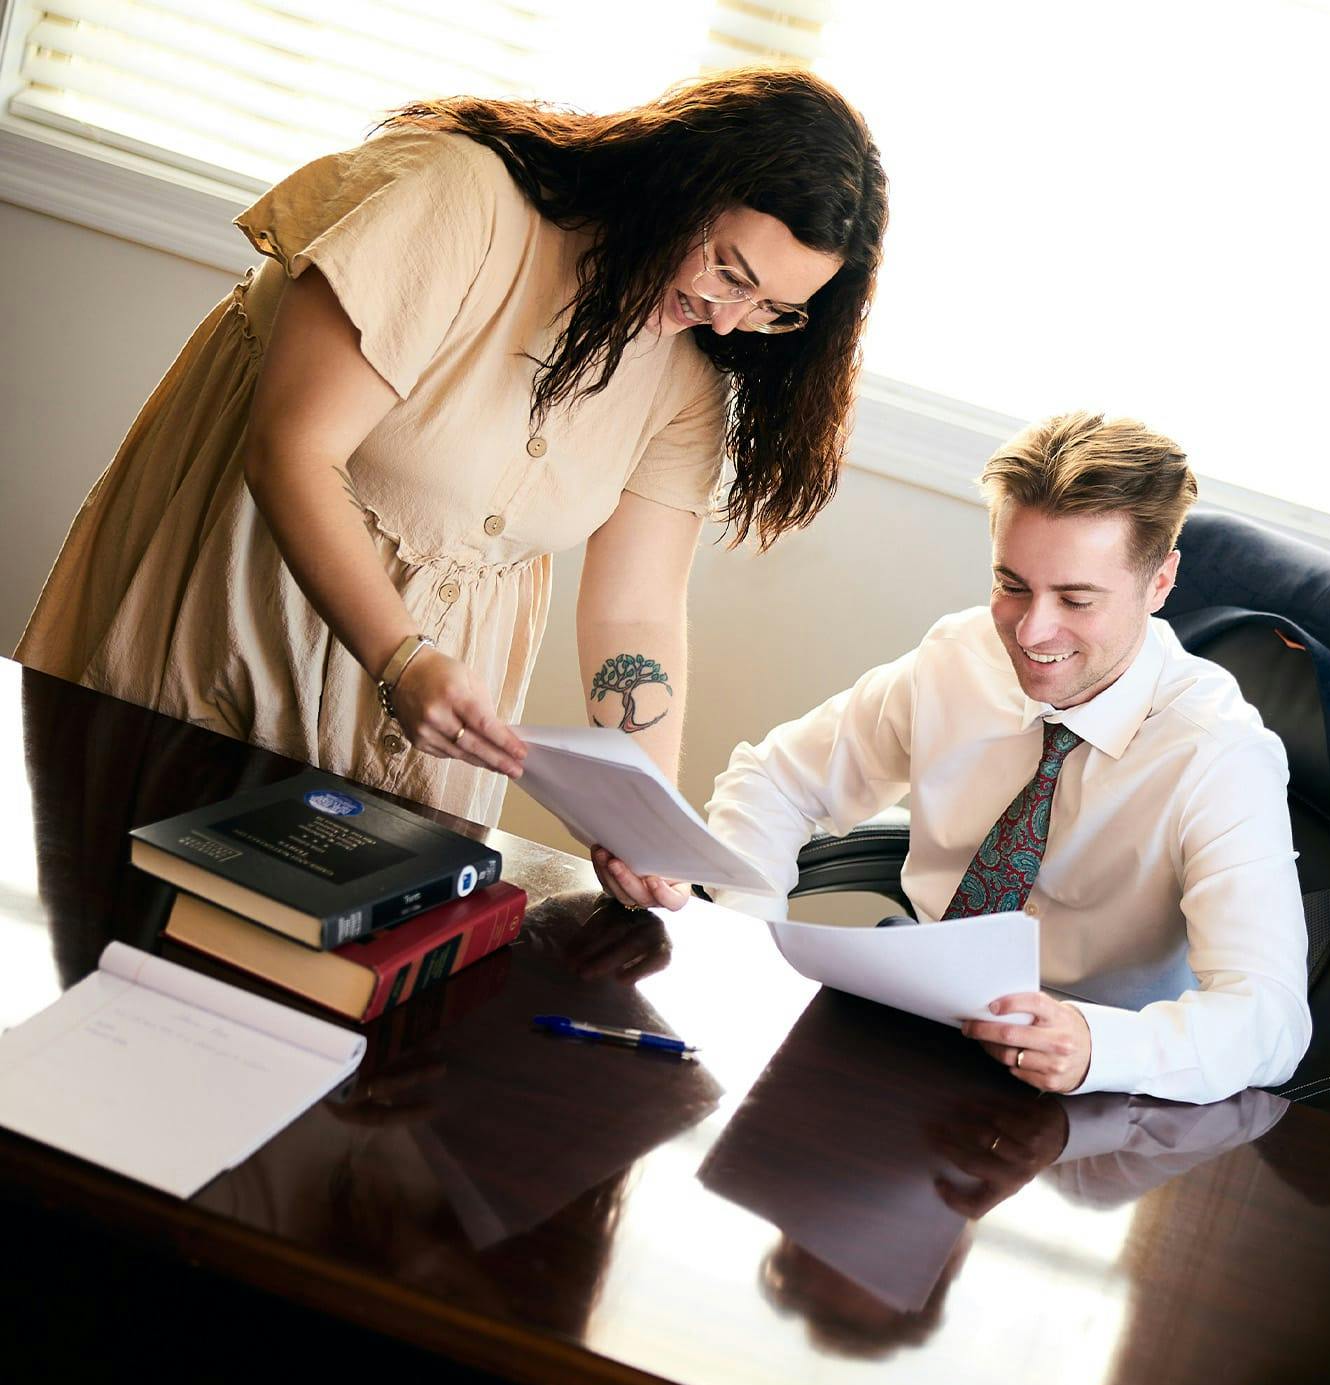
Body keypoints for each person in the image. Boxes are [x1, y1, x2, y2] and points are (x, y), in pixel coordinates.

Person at [15, 66, 887, 831]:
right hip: (238, 614)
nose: (730, 318)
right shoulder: (457, 197)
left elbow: (636, 614)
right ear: (678, 184)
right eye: (728, 270)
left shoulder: (690, 377)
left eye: (775, 307)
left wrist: (638, 816)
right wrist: (402, 656)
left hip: (426, 728)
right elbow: (291, 449)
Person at [597, 412, 1312, 1104]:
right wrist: (745, 935)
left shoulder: (1219, 757)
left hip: (1095, 1093)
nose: (1033, 630)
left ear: (1159, 584)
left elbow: (1271, 1022)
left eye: (1076, 599)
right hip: (915, 1030)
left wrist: (1096, 1047)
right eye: (1012, 585)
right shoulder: (960, 658)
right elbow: (775, 779)